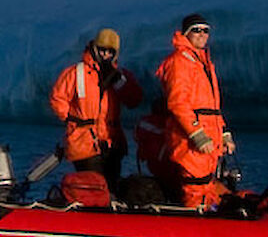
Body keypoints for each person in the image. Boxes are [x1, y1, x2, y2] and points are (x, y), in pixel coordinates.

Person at [153, 13, 234, 207]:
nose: (202, 34)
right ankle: (194, 228)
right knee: (195, 187)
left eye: (205, 30)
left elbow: (212, 107)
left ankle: (207, 224)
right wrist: (197, 134)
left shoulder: (202, 61)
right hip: (191, 139)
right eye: (196, 30)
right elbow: (178, 103)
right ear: (186, 33)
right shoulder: (180, 61)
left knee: (207, 187)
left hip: (208, 137)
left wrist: (223, 134)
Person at [48, 28, 143, 188]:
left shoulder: (120, 75)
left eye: (110, 52)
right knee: (93, 187)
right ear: (94, 48)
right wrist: (71, 120)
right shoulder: (76, 72)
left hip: (112, 143)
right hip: (84, 143)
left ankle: (106, 210)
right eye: (102, 50)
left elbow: (134, 100)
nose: (106, 55)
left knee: (111, 185)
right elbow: (57, 98)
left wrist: (119, 82)